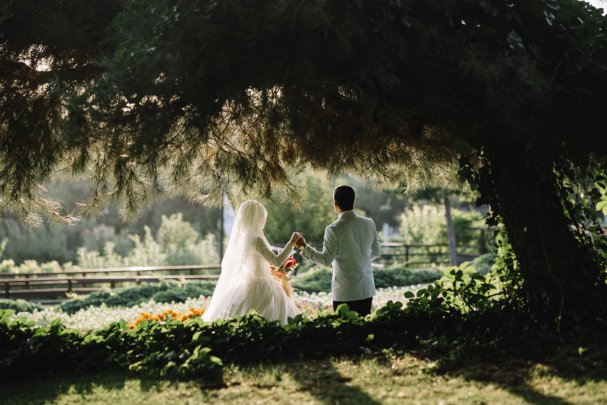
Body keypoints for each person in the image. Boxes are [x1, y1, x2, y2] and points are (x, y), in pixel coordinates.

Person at [202, 200, 301, 324]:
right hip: (262, 288)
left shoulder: (244, 239)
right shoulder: (257, 239)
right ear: (258, 218)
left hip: (248, 285)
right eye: (262, 217)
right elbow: (277, 261)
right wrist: (291, 243)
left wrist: (271, 271)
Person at [295, 185, 380, 316]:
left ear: (335, 204)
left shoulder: (333, 229)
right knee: (364, 332)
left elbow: (325, 260)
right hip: (366, 289)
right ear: (353, 201)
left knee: (345, 333)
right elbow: (376, 252)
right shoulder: (369, 223)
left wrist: (303, 247)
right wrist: (360, 261)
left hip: (346, 293)